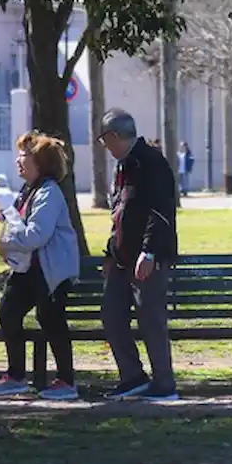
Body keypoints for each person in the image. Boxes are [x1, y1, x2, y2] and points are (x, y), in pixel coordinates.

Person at [0, 133, 80, 400]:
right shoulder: (29, 190)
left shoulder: (49, 192)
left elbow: (36, 236)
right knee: (7, 312)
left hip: (51, 271)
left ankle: (66, 382)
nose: (18, 160)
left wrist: (9, 241)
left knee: (50, 318)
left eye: (24, 155)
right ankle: (15, 377)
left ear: (40, 161)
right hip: (29, 269)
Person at [96, 108, 179, 402]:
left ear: (114, 135)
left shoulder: (151, 162)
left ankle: (164, 384)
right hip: (121, 259)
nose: (105, 146)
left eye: (105, 140)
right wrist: (110, 254)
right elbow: (119, 214)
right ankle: (133, 377)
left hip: (147, 258)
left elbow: (161, 212)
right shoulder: (122, 166)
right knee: (111, 314)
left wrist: (150, 251)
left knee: (151, 319)